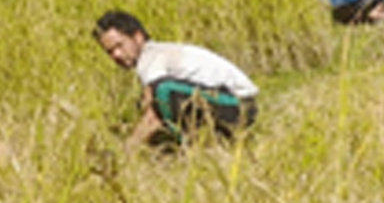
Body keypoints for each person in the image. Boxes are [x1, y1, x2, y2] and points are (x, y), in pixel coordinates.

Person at [93, 10, 259, 147]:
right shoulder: (157, 55)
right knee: (151, 98)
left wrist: (127, 149)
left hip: (239, 105)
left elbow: (153, 114)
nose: (116, 55)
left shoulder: (151, 58)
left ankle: (192, 146)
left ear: (138, 37)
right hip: (227, 101)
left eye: (119, 46)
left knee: (162, 91)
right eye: (110, 52)